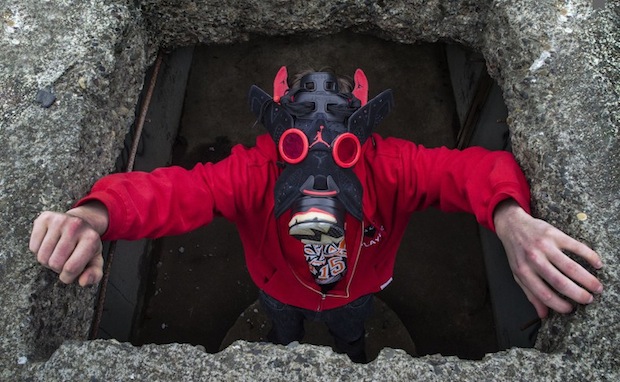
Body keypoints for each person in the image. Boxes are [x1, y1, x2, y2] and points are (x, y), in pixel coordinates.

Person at [29, 67, 603, 363]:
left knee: (351, 328)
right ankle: (289, 348)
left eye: (343, 148)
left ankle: (351, 353)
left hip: (358, 289)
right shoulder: (254, 172)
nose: (322, 167)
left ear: (364, 136)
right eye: (298, 149)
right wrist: (97, 214)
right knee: (284, 323)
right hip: (280, 288)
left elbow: (469, 172)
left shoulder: (391, 166)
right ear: (277, 135)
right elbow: (172, 192)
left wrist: (510, 218)